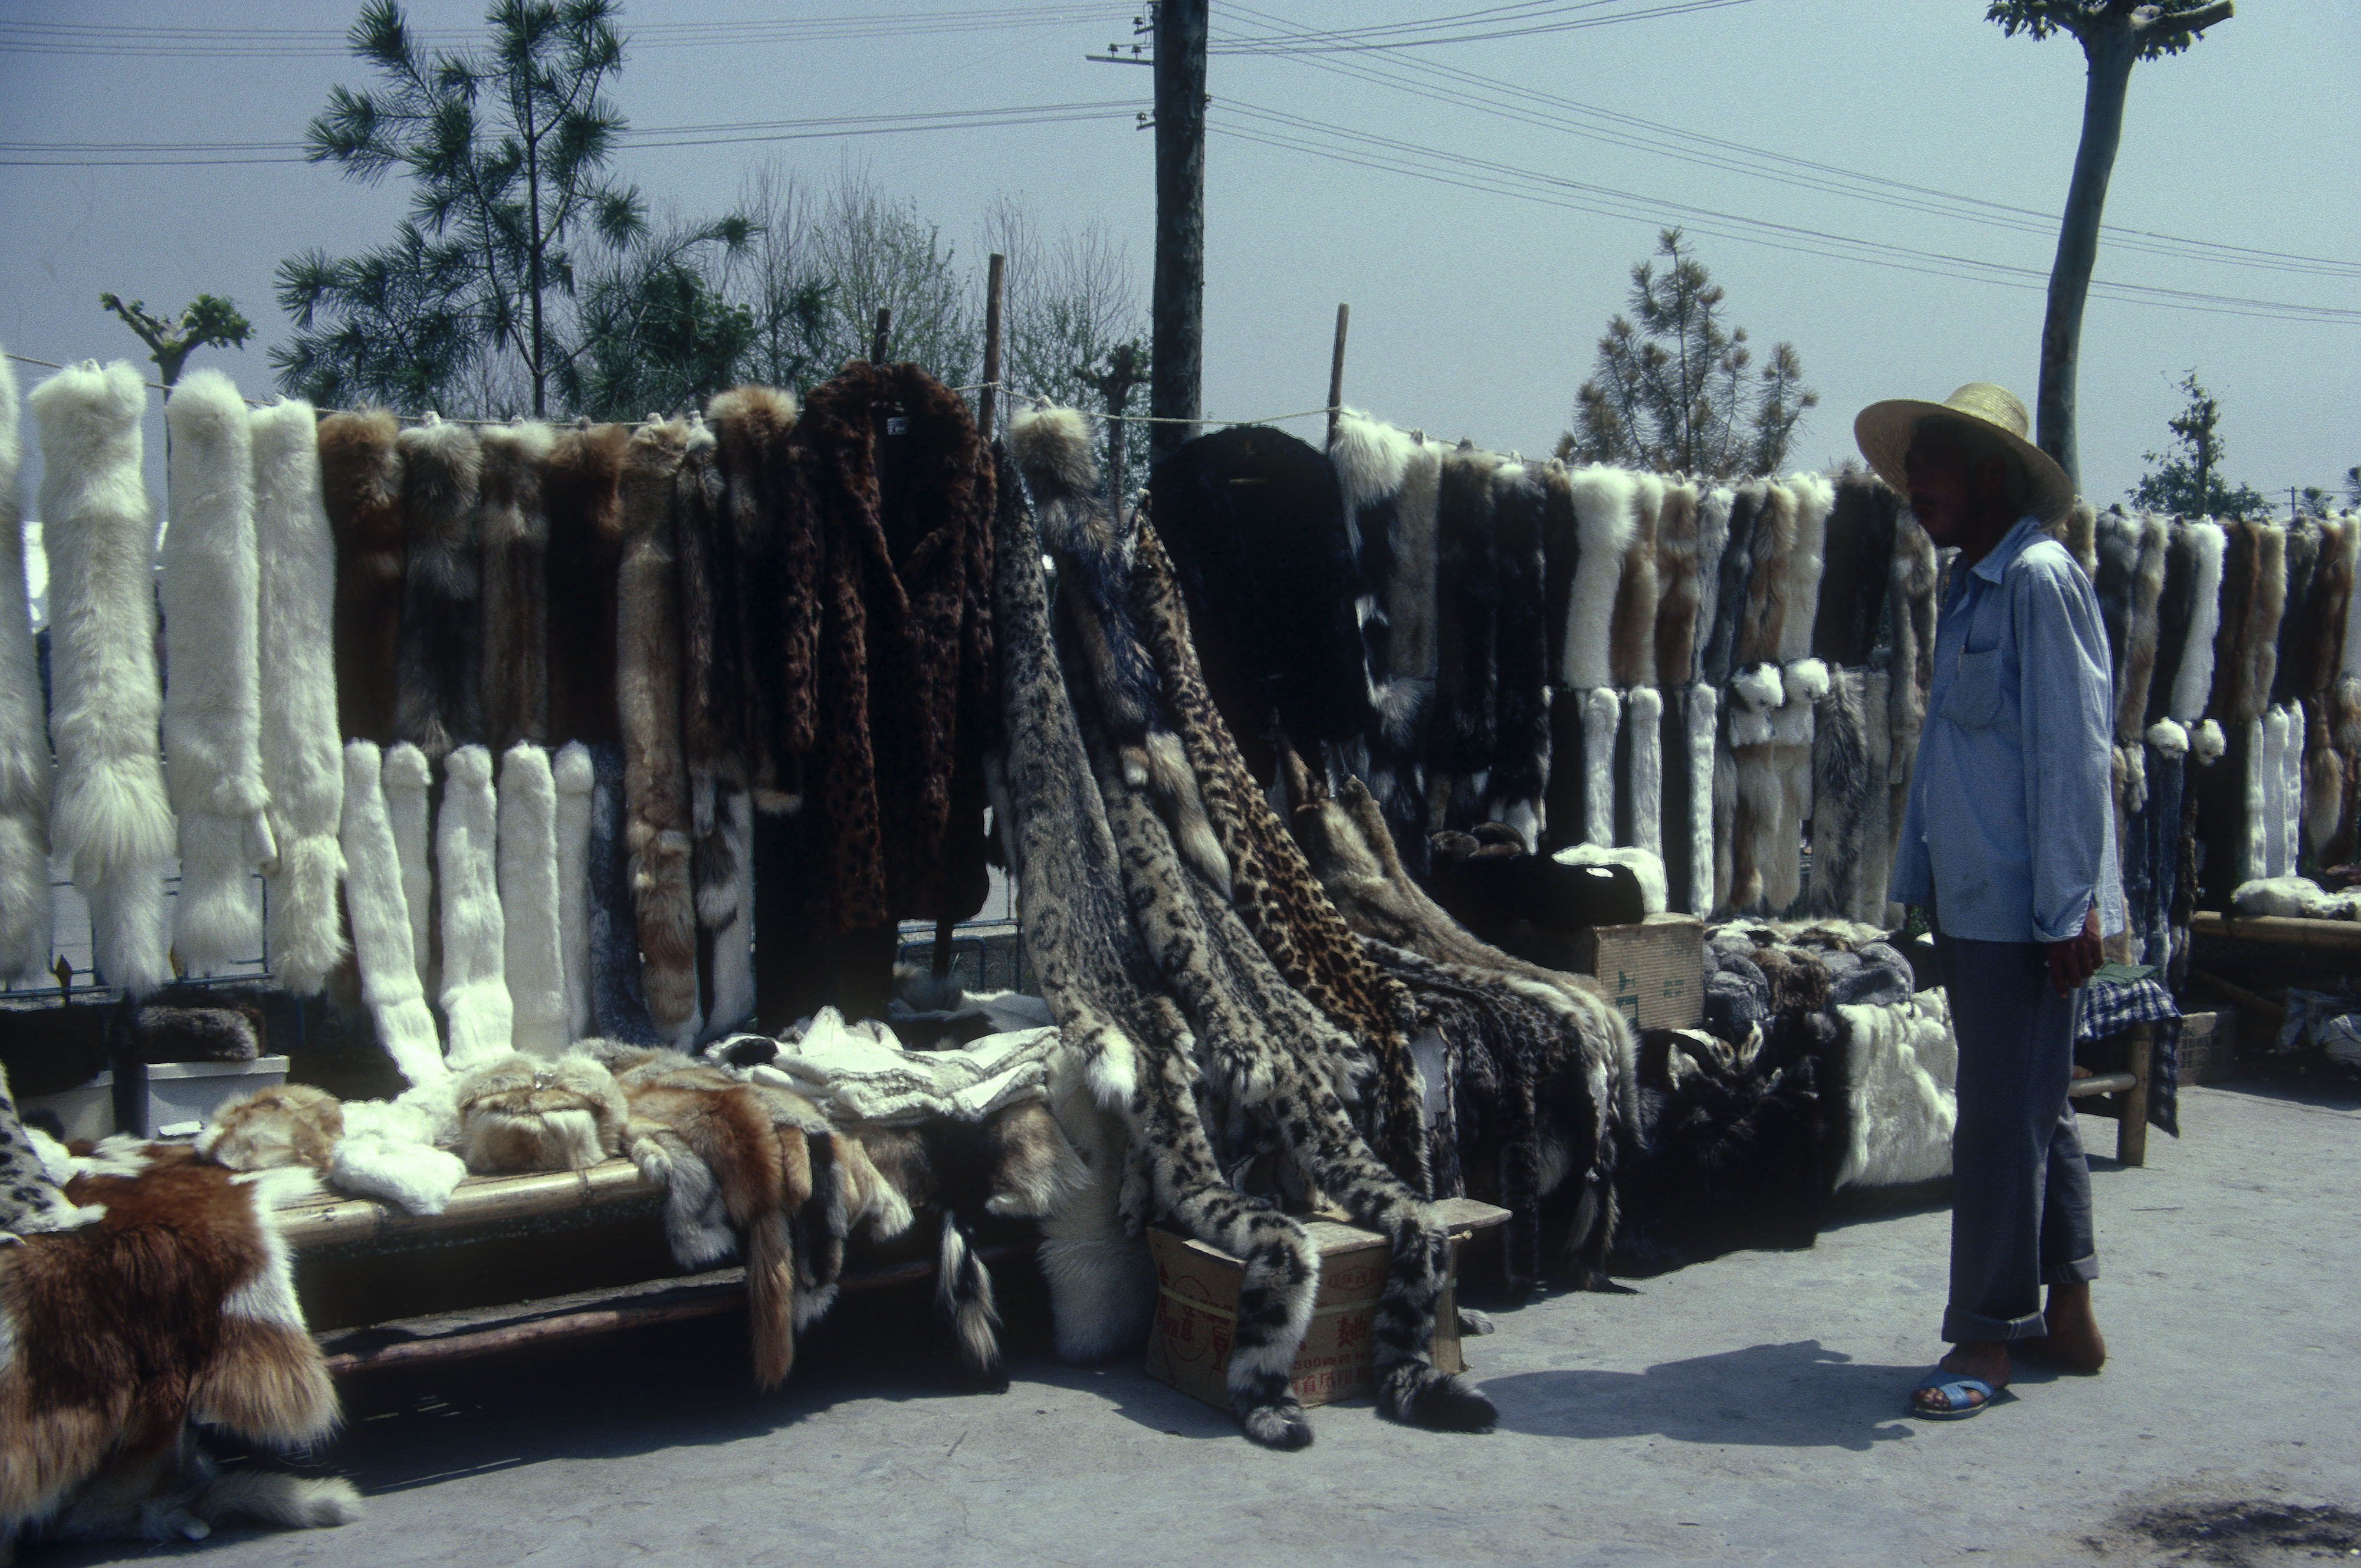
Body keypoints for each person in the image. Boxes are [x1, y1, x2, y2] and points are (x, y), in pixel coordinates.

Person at [1856, 383, 2126, 1419]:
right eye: (1911, 468)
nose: (1915, 485)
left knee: (1997, 1125)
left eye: (1934, 466)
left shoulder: (2040, 581)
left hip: (2026, 911)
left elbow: (2072, 752)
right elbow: (1952, 757)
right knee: (2034, 1108)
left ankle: (1986, 1336)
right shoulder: (1972, 587)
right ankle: (2069, 1309)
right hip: (1978, 903)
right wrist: (1915, 881)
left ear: (1992, 477)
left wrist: (2067, 909)